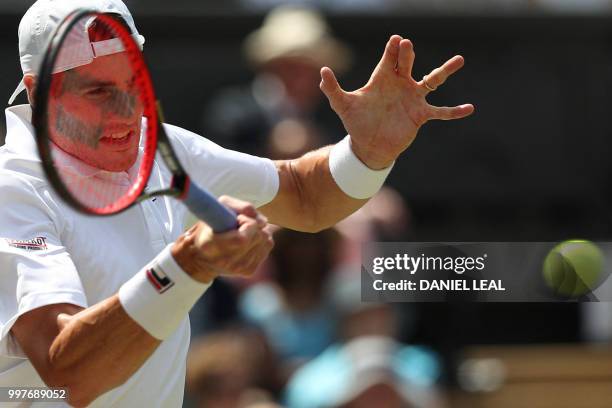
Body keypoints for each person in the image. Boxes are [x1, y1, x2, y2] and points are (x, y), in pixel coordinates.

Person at [0, 0, 473, 407]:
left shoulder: (160, 147)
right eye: (98, 90)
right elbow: (66, 379)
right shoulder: (12, 193)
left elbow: (304, 196)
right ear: (40, 91)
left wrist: (368, 151)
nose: (126, 112)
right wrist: (187, 266)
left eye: (132, 83)